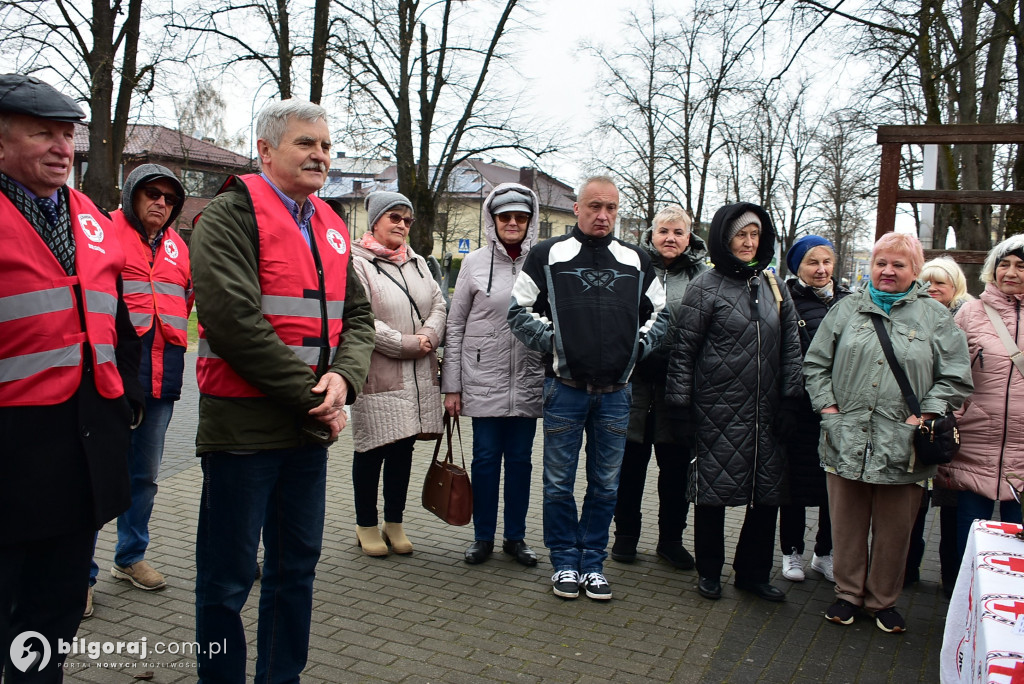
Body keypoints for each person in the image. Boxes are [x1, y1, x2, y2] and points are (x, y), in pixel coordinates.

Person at [190, 98, 375, 681]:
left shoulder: (331, 224)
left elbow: (359, 317)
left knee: (296, 570)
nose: (320, 155)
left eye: (326, 145)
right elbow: (233, 322)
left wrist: (344, 378)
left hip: (307, 431)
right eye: (306, 143)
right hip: (243, 429)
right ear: (266, 150)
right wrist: (317, 397)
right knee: (227, 578)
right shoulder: (229, 215)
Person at [0, 74, 142, 681]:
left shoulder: (88, 217)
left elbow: (118, 318)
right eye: (43, 134)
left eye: (67, 135)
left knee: (50, 624)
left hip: (79, 456)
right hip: (11, 452)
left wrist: (128, 398)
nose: (63, 148)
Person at [804, 232, 972, 634]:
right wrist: (829, 412)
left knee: (895, 530)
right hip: (846, 437)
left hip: (905, 443)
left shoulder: (935, 316)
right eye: (881, 262)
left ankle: (883, 601)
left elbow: (956, 377)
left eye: (898, 264)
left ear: (915, 270)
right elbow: (816, 364)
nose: (888, 271)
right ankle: (847, 594)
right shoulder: (846, 309)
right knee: (847, 525)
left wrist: (924, 415)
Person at [508, 175, 667, 601]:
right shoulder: (547, 254)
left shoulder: (636, 260)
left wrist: (635, 350)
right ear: (577, 208)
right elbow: (518, 310)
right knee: (559, 483)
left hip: (617, 393)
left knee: (606, 484)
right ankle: (564, 560)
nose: (602, 215)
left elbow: (661, 315)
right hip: (565, 388)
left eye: (610, 207)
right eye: (594, 206)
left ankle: (593, 563)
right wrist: (558, 344)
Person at [665, 203, 803, 603]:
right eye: (741, 235)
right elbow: (683, 352)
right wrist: (680, 407)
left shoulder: (774, 285)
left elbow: (792, 348)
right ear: (725, 239)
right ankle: (709, 571)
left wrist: (791, 400)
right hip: (716, 410)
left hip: (767, 412)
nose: (748, 242)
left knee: (766, 495)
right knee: (713, 493)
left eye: (754, 234)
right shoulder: (705, 286)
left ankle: (753, 574)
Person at [87, 164, 191, 610]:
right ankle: (79, 575)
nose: (161, 203)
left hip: (162, 375)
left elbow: (185, 300)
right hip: (109, 376)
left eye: (169, 198)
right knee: (95, 475)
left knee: (144, 476)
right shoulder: (102, 233)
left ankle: (130, 557)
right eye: (152, 193)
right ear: (131, 194)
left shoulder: (178, 247)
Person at [441, 183, 545, 566]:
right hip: (483, 379)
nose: (513, 223)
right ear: (493, 219)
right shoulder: (473, 263)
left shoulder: (542, 261)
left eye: (520, 217)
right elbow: (455, 325)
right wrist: (451, 386)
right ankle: (482, 536)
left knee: (520, 462)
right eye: (505, 216)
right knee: (485, 461)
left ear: (530, 221)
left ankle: (515, 538)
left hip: (528, 379)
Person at [349, 190, 446, 558]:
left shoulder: (418, 262)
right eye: (395, 217)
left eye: (407, 219)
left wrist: (429, 336)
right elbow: (359, 317)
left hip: (418, 376)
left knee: (403, 451)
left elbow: (439, 305)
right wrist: (406, 344)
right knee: (372, 449)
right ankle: (365, 523)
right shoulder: (357, 262)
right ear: (375, 220)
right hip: (379, 373)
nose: (403, 225)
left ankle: (394, 522)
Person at [611, 205, 707, 569]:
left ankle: (671, 540)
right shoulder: (633, 267)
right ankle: (625, 536)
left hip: (679, 390)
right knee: (629, 467)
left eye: (678, 232)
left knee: (676, 469)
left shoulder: (701, 277)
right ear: (651, 234)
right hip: (634, 387)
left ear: (689, 237)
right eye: (663, 231)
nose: (670, 238)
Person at [939, 235, 1024, 566]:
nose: (1010, 272)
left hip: (1021, 449)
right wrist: (957, 416)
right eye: (1004, 264)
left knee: (1017, 542)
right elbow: (947, 369)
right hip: (976, 442)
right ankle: (967, 594)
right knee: (971, 534)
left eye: (1020, 266)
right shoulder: (971, 313)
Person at [778, 235, 851, 584]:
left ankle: (825, 553)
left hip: (841, 409)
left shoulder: (849, 301)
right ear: (797, 268)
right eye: (812, 262)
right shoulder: (786, 302)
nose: (821, 269)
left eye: (826, 262)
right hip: (801, 408)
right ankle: (791, 551)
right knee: (794, 485)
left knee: (834, 487)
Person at [904, 256, 971, 595]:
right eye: (926, 282)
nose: (931, 288)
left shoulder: (966, 319)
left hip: (952, 425)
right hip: (917, 422)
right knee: (913, 503)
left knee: (950, 505)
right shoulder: (911, 315)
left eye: (940, 283)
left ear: (955, 287)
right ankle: (907, 569)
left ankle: (951, 577)